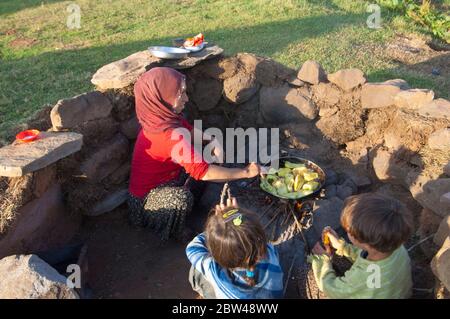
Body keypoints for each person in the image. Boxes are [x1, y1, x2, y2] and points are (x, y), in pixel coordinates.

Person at [128, 67, 260, 241]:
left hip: (169, 180)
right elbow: (203, 171)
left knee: (199, 161)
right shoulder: (167, 134)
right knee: (181, 198)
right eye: (180, 93)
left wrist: (212, 140)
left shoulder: (162, 118)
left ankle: (193, 205)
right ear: (162, 97)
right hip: (146, 203)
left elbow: (188, 130)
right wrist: (246, 172)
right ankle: (175, 231)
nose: (186, 98)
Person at [304, 193, 414, 299]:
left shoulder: (364, 276)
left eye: (348, 231)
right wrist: (343, 247)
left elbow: (333, 290)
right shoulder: (396, 246)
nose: (347, 232)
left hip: (372, 288)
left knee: (307, 275)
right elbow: (369, 253)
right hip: (395, 293)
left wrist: (322, 262)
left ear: (362, 242)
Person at [186, 192, 284, 299]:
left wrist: (214, 230)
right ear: (259, 235)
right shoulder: (270, 252)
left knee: (196, 270)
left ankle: (202, 294)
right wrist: (231, 220)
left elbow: (192, 248)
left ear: (217, 256)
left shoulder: (214, 270)